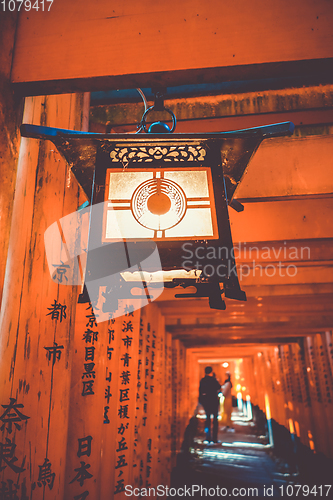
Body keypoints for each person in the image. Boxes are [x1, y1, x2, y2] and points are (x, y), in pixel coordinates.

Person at [199, 366, 221, 443]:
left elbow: (200, 392)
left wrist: (202, 402)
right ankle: (214, 438)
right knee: (215, 419)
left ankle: (208, 437)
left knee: (207, 419)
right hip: (214, 401)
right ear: (211, 372)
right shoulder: (214, 380)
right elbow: (219, 388)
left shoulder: (203, 380)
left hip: (207, 402)